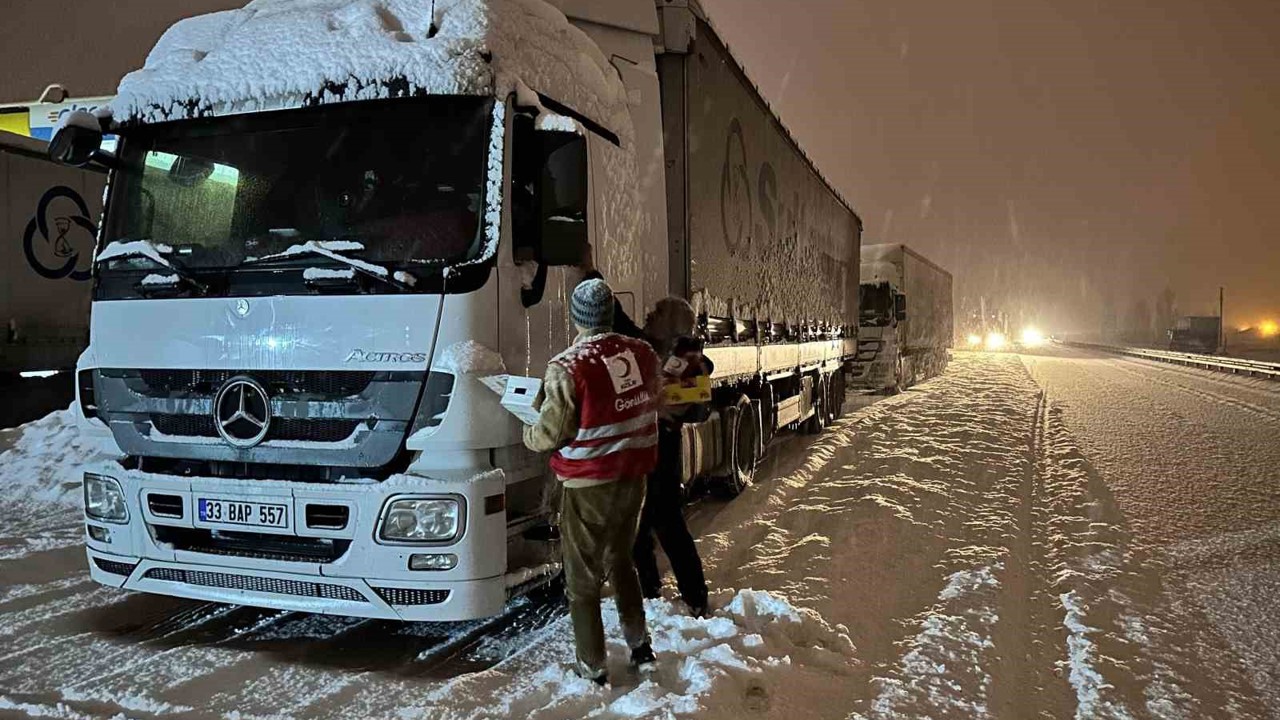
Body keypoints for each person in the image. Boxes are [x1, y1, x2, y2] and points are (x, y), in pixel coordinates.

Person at [523, 278, 662, 685]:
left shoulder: (567, 366)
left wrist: (529, 429)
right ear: (611, 312)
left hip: (589, 485)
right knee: (621, 562)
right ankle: (641, 647)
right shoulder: (643, 353)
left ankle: (593, 666)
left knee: (582, 579)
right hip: (633, 479)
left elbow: (550, 433)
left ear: (575, 316)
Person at [630, 298, 712, 618]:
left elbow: (692, 406)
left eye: (659, 311)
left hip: (662, 450)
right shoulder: (647, 345)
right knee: (638, 524)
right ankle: (649, 592)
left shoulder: (692, 361)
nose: (650, 312)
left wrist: (659, 401)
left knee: (668, 525)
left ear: (676, 326)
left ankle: (696, 598)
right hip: (642, 447)